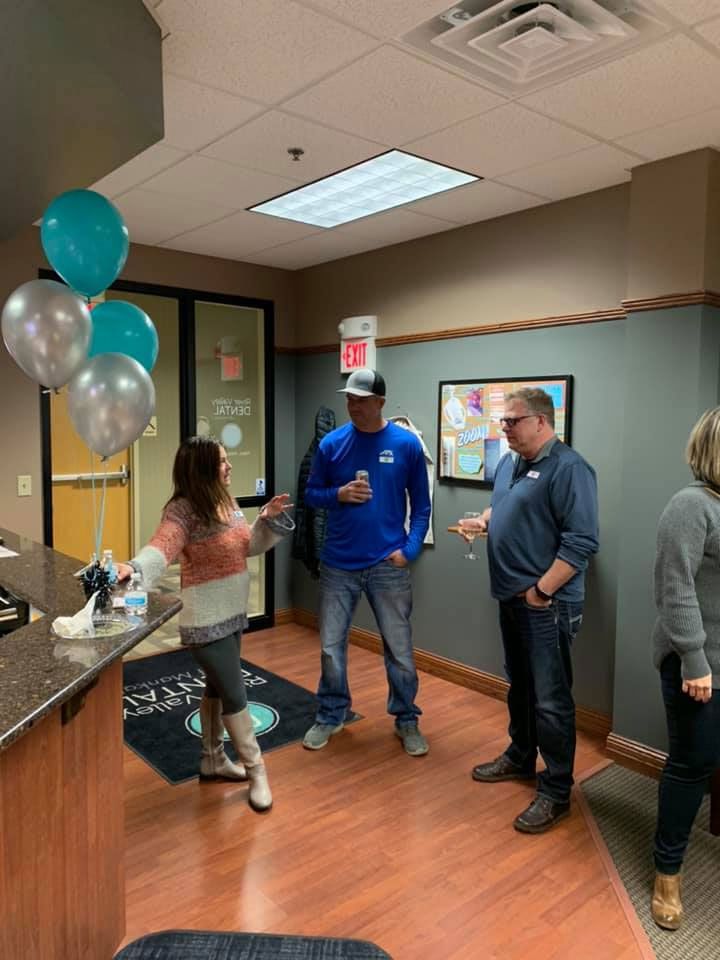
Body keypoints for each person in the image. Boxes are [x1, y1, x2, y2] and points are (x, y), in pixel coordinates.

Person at [116, 436, 294, 813]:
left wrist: (267, 520)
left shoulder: (226, 502)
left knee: (217, 686)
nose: (229, 466)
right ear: (202, 469)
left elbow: (248, 546)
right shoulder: (182, 511)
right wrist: (133, 568)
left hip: (232, 611)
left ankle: (212, 759)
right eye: (222, 461)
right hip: (205, 618)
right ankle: (256, 769)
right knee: (235, 692)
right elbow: (161, 547)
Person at [459, 387, 598, 833]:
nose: (504, 428)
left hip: (546, 605)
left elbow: (581, 542)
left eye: (512, 421)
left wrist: (541, 592)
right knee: (520, 685)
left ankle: (556, 790)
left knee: (552, 700)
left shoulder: (570, 469)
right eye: (502, 421)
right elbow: (502, 506)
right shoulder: (510, 462)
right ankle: (520, 757)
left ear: (541, 421)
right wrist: (483, 520)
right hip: (511, 599)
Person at [302, 368, 432, 756]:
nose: (352, 405)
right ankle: (331, 714)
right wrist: (337, 494)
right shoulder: (332, 444)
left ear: (380, 403)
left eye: (360, 399)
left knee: (399, 649)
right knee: (330, 646)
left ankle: (406, 719)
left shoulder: (406, 445)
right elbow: (311, 494)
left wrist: (408, 551)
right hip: (339, 563)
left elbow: (422, 507)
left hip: (386, 565)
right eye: (349, 399)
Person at [649, 407, 720, 930]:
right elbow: (674, 589)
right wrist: (695, 660)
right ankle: (667, 870)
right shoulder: (691, 506)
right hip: (699, 662)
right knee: (692, 764)